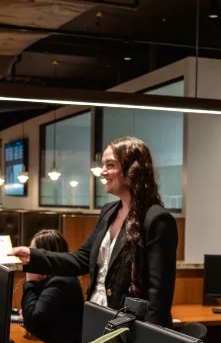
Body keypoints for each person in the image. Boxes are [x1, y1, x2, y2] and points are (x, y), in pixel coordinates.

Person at [11, 136, 178, 327]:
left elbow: (159, 296)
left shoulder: (157, 220)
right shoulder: (108, 211)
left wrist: (147, 341)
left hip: (130, 329)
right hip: (96, 319)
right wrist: (34, 256)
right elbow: (79, 260)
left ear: (132, 170)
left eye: (110, 165)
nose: (103, 171)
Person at [20, 229, 84, 343]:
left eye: (33, 254)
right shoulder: (52, 279)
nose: (29, 260)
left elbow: (33, 322)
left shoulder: (62, 282)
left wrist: (30, 282)